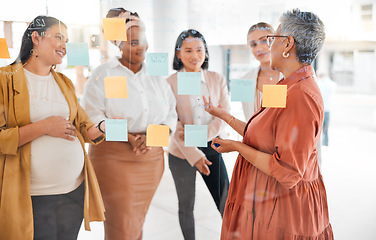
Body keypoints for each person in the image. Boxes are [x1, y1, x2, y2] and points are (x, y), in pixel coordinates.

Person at [203, 9, 334, 239]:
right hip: (268, 198)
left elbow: (288, 171)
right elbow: (264, 136)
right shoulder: (288, 85)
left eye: (271, 39)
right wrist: (225, 116)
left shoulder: (300, 94)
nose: (265, 47)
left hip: (284, 208)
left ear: (287, 44)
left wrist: (236, 147)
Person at [0, 16, 106, 240]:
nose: (64, 46)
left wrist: (105, 126)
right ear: (36, 38)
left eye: (66, 40)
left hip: (73, 192)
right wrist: (45, 126)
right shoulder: (5, 79)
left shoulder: (64, 82)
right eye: (58, 37)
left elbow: (84, 128)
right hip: (33, 196)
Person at [81, 8, 177, 240]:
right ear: (119, 44)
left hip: (151, 158)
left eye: (143, 40)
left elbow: (170, 116)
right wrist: (129, 136)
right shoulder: (102, 75)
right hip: (113, 158)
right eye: (134, 42)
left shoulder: (156, 77)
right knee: (121, 225)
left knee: (135, 222)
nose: (142, 46)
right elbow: (92, 119)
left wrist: (150, 138)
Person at [167, 29, 230, 240]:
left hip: (212, 146)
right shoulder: (170, 83)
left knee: (226, 200)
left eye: (199, 49)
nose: (195, 55)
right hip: (181, 152)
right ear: (178, 54)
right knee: (185, 205)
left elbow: (223, 117)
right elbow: (171, 123)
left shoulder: (216, 79)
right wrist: (193, 151)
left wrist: (199, 138)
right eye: (188, 50)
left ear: (206, 52)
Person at [242, 22, 281, 120]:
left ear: (276, 40)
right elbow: (247, 120)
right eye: (253, 45)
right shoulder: (245, 81)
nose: (259, 48)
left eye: (264, 41)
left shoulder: (290, 76)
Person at [317, 71, 337, 146]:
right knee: (326, 129)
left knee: (319, 129)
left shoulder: (319, 84)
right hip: (327, 109)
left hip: (320, 109)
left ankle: (321, 144)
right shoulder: (331, 84)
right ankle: (325, 143)